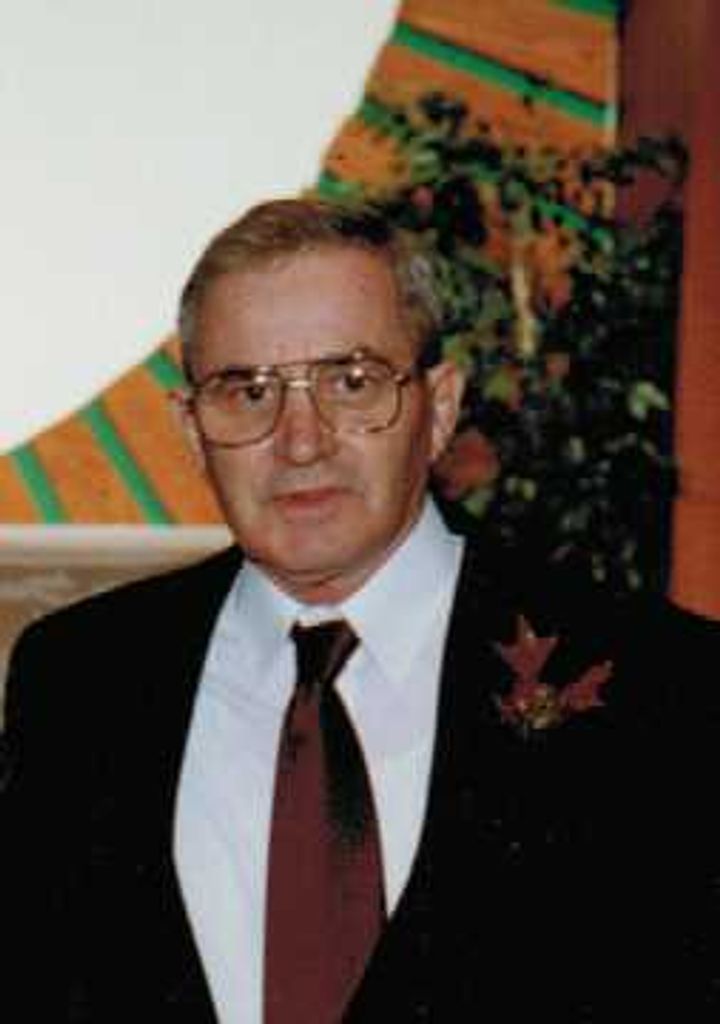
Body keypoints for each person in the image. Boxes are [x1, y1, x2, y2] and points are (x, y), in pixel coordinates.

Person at [3, 198, 720, 1023]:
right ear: (193, 429)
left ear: (439, 406)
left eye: (351, 382)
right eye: (247, 391)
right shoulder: (79, 679)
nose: (301, 439)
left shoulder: (664, 686)